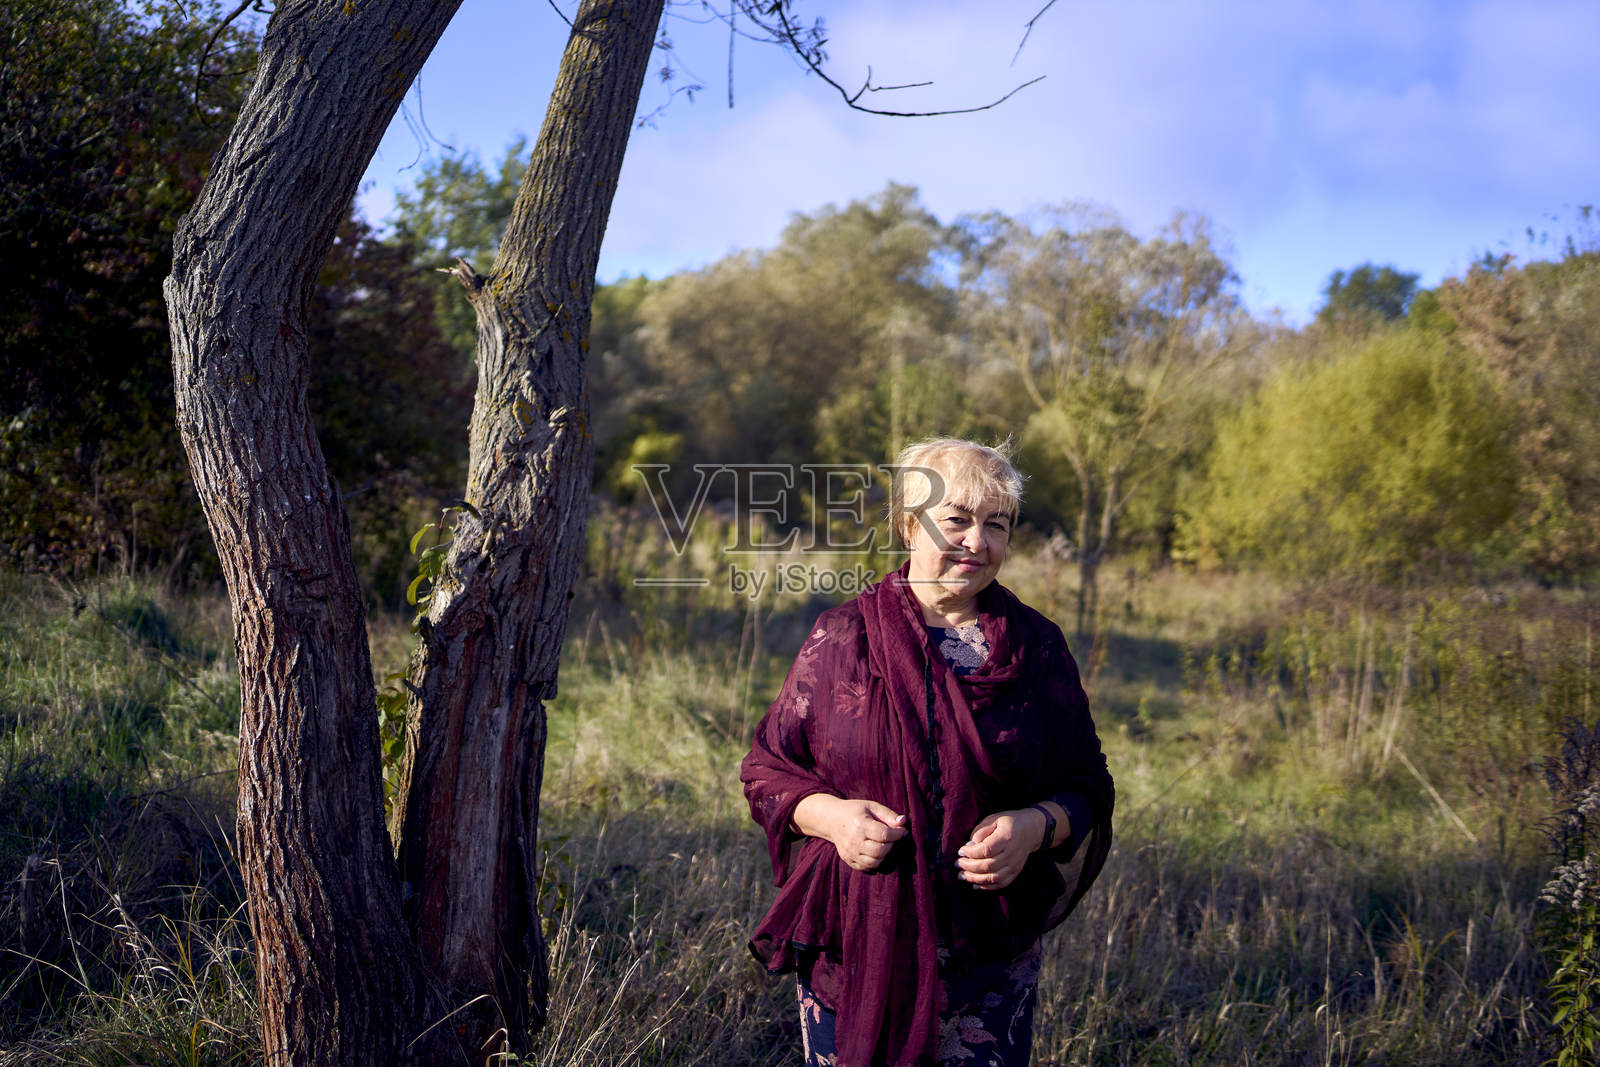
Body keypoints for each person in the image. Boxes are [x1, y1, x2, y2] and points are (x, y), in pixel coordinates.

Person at [741, 437, 1115, 1067]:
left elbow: (1088, 785)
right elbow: (767, 771)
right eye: (957, 521)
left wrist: (1032, 827)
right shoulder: (844, 637)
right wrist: (833, 820)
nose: (977, 542)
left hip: (987, 953)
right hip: (857, 940)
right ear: (910, 527)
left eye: (996, 525)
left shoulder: (1037, 649)